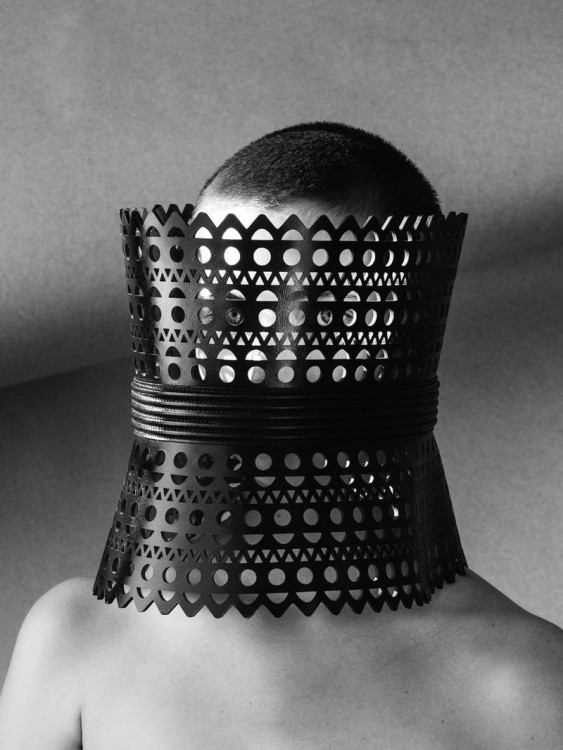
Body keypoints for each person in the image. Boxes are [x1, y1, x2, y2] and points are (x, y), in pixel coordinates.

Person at [0, 122, 561, 749]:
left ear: (397, 331)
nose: (252, 356)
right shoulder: (75, 640)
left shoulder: (526, 686)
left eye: (317, 312)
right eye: (225, 308)